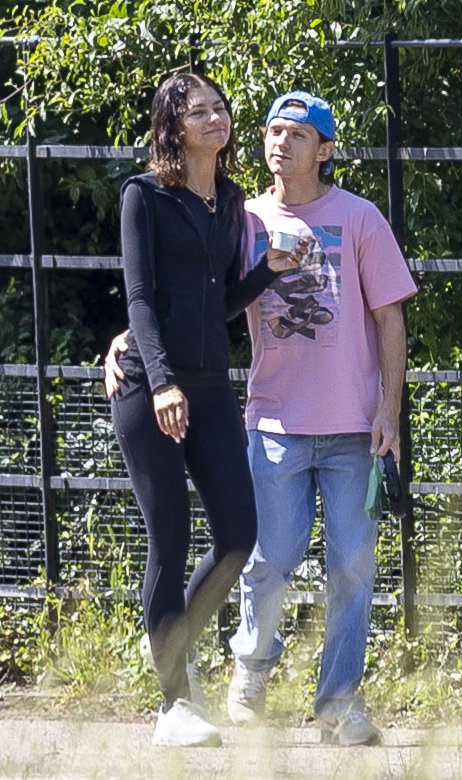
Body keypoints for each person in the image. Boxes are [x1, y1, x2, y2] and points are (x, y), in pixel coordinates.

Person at [106, 89, 417, 747]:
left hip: (352, 426)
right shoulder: (239, 213)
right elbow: (170, 294)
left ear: (325, 150)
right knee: (263, 561)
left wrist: (389, 410)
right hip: (270, 420)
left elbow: (389, 317)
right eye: (274, 130)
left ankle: (338, 704)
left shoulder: (353, 216)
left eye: (298, 134)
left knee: (349, 567)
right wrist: (130, 346)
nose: (281, 142)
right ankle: (240, 676)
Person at [109, 72, 304, 749]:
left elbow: (215, 304)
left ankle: (169, 641)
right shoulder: (144, 195)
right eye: (200, 112)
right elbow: (140, 300)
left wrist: (267, 271)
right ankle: (173, 707)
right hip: (150, 387)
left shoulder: (229, 202)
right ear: (173, 124)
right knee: (169, 535)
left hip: (212, 385)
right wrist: (162, 383)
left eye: (221, 108)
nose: (217, 119)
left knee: (238, 535)